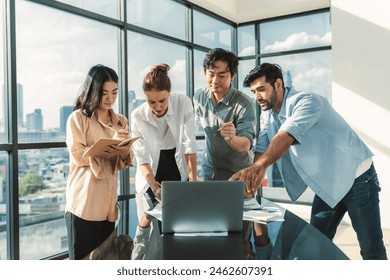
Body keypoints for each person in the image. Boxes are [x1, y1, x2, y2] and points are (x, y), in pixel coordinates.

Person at [230, 62, 388, 260]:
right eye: (254, 91)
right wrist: (252, 178)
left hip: (356, 178)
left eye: (261, 89)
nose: (257, 97)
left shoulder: (308, 101)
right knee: (313, 243)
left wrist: (255, 169)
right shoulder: (267, 114)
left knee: (371, 248)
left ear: (278, 84)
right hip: (326, 183)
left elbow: (285, 137)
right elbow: (262, 147)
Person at [193, 48, 271, 259]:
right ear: (205, 73)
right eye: (211, 74)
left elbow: (246, 144)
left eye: (222, 75)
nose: (215, 80)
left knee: (239, 237)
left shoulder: (244, 104)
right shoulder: (199, 96)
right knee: (212, 232)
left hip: (238, 176)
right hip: (210, 173)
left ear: (232, 76)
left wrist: (231, 138)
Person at [65, 64, 134, 260]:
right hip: (84, 203)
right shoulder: (78, 118)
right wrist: (104, 149)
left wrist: (123, 148)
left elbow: (122, 161)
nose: (110, 98)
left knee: (106, 261)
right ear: (93, 91)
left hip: (107, 205)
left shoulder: (121, 121)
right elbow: (78, 156)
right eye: (104, 93)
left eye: (114, 92)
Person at [131, 63, 197, 218]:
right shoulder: (137, 116)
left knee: (180, 220)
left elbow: (189, 146)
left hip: (177, 164)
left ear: (169, 93)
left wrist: (194, 183)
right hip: (151, 173)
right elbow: (142, 157)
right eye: (151, 102)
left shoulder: (183, 103)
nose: (158, 107)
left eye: (162, 100)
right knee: (150, 225)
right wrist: (154, 186)